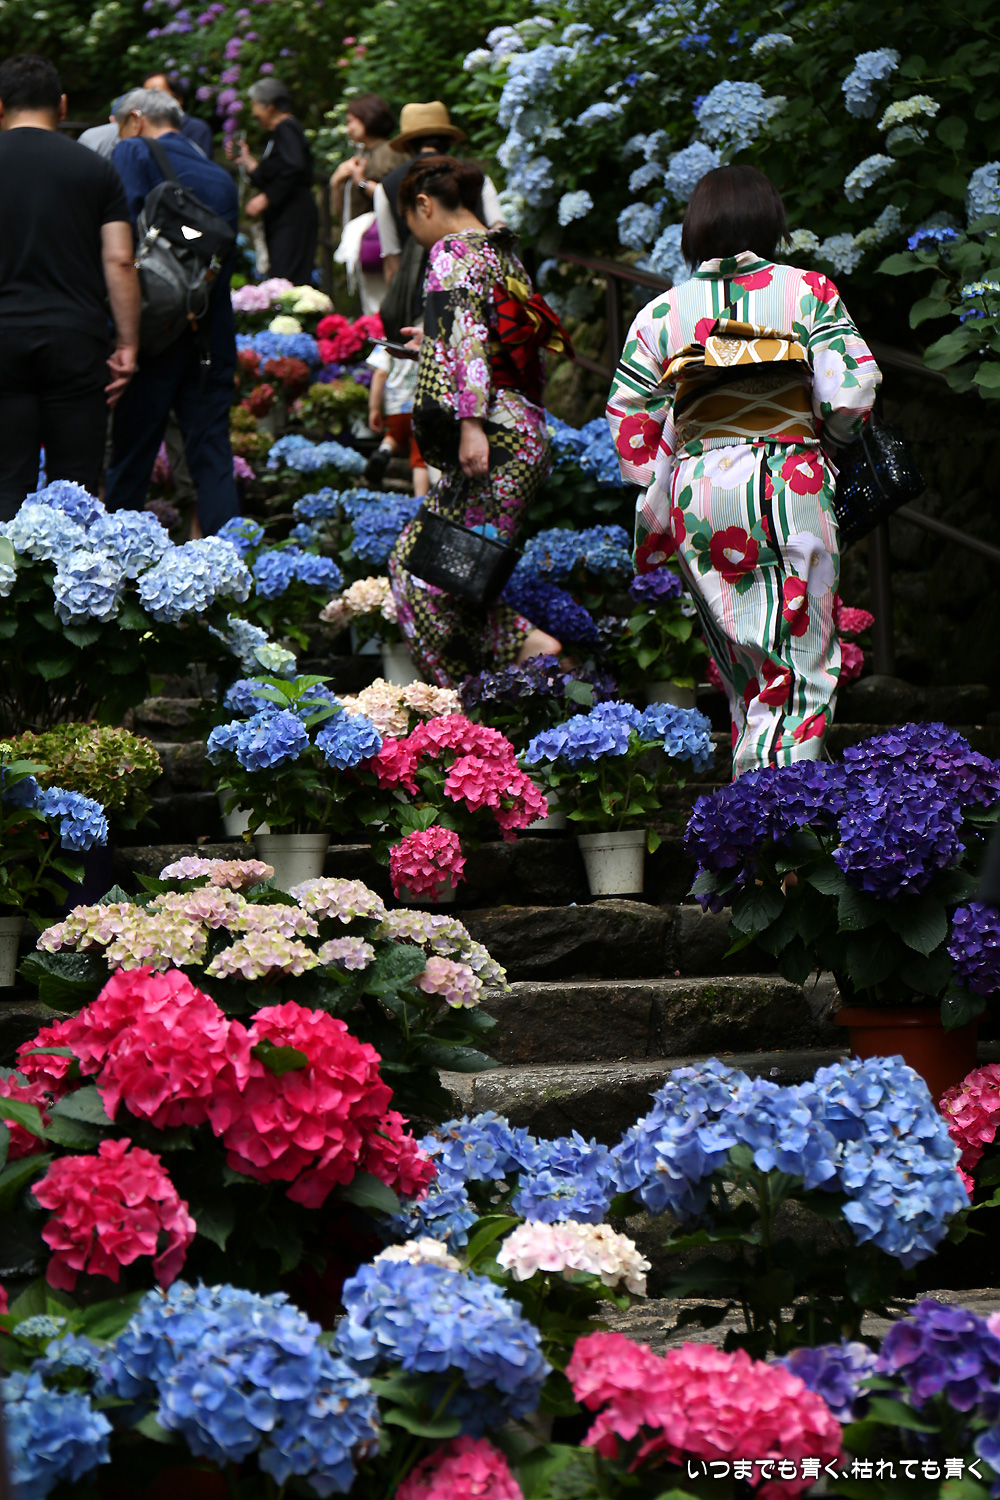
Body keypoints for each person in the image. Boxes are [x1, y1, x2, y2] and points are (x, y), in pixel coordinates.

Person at [607, 164, 882, 778]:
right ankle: (777, 816)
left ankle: (751, 805)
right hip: (790, 476)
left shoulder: (659, 313)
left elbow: (630, 419)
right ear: (770, 221)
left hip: (699, 490)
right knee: (802, 663)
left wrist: (669, 475)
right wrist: (828, 441)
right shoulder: (808, 290)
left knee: (743, 665)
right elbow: (851, 391)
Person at [388, 156, 567, 686]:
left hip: (492, 433)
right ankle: (511, 665)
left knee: (424, 576)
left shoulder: (450, 251)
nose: (414, 234)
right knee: (441, 573)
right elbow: (490, 341)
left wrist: (469, 424)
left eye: (409, 220)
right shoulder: (500, 251)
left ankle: (472, 695)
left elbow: (467, 339)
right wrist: (431, 344)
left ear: (423, 205)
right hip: (521, 429)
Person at [0, 55, 138, 519]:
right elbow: (120, 260)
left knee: (5, 482)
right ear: (62, 105)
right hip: (75, 338)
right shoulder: (96, 169)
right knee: (75, 489)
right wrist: (128, 343)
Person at [105, 87, 239, 535]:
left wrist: (119, 333)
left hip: (151, 336)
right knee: (212, 458)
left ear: (136, 119)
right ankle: (227, 562)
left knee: (131, 459)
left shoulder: (133, 152)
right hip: (209, 335)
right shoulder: (220, 177)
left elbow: (123, 245)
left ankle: (117, 564)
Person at [373, 101, 504, 284]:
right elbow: (499, 228)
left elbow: (392, 259)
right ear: (447, 141)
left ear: (408, 145)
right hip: (482, 282)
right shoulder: (476, 175)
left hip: (422, 292)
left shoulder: (387, 186)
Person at [230, 78, 317, 286]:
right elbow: (279, 172)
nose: (254, 113)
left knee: (286, 279)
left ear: (268, 106)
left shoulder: (286, 128)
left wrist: (267, 198)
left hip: (293, 217)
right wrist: (248, 161)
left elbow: (294, 167)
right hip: (287, 216)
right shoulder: (282, 132)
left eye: (254, 105)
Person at [365, 343, 429, 497]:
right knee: (420, 456)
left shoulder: (387, 342)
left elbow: (380, 373)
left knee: (394, 435)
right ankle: (420, 499)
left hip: (396, 406)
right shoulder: (426, 339)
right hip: (422, 406)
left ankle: (384, 452)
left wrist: (374, 408)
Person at [143, 71, 213, 156]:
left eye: (156, 93)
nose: (149, 100)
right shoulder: (143, 129)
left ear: (178, 98)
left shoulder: (196, 128)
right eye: (145, 95)